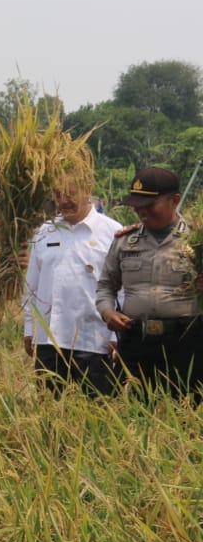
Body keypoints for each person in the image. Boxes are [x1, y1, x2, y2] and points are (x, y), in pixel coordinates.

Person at [96, 167, 203, 396]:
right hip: (136, 341)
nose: (141, 212)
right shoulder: (125, 241)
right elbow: (106, 285)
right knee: (131, 410)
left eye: (149, 206)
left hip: (186, 342)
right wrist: (108, 312)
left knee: (186, 412)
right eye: (137, 206)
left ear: (174, 201)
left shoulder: (196, 240)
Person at [22, 171, 121, 395]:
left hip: (95, 341)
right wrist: (30, 330)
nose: (64, 200)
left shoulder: (112, 232)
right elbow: (32, 287)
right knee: (50, 412)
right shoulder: (44, 232)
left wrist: (116, 335)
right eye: (58, 194)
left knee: (98, 412)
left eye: (71, 193)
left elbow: (122, 289)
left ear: (88, 189)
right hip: (49, 341)